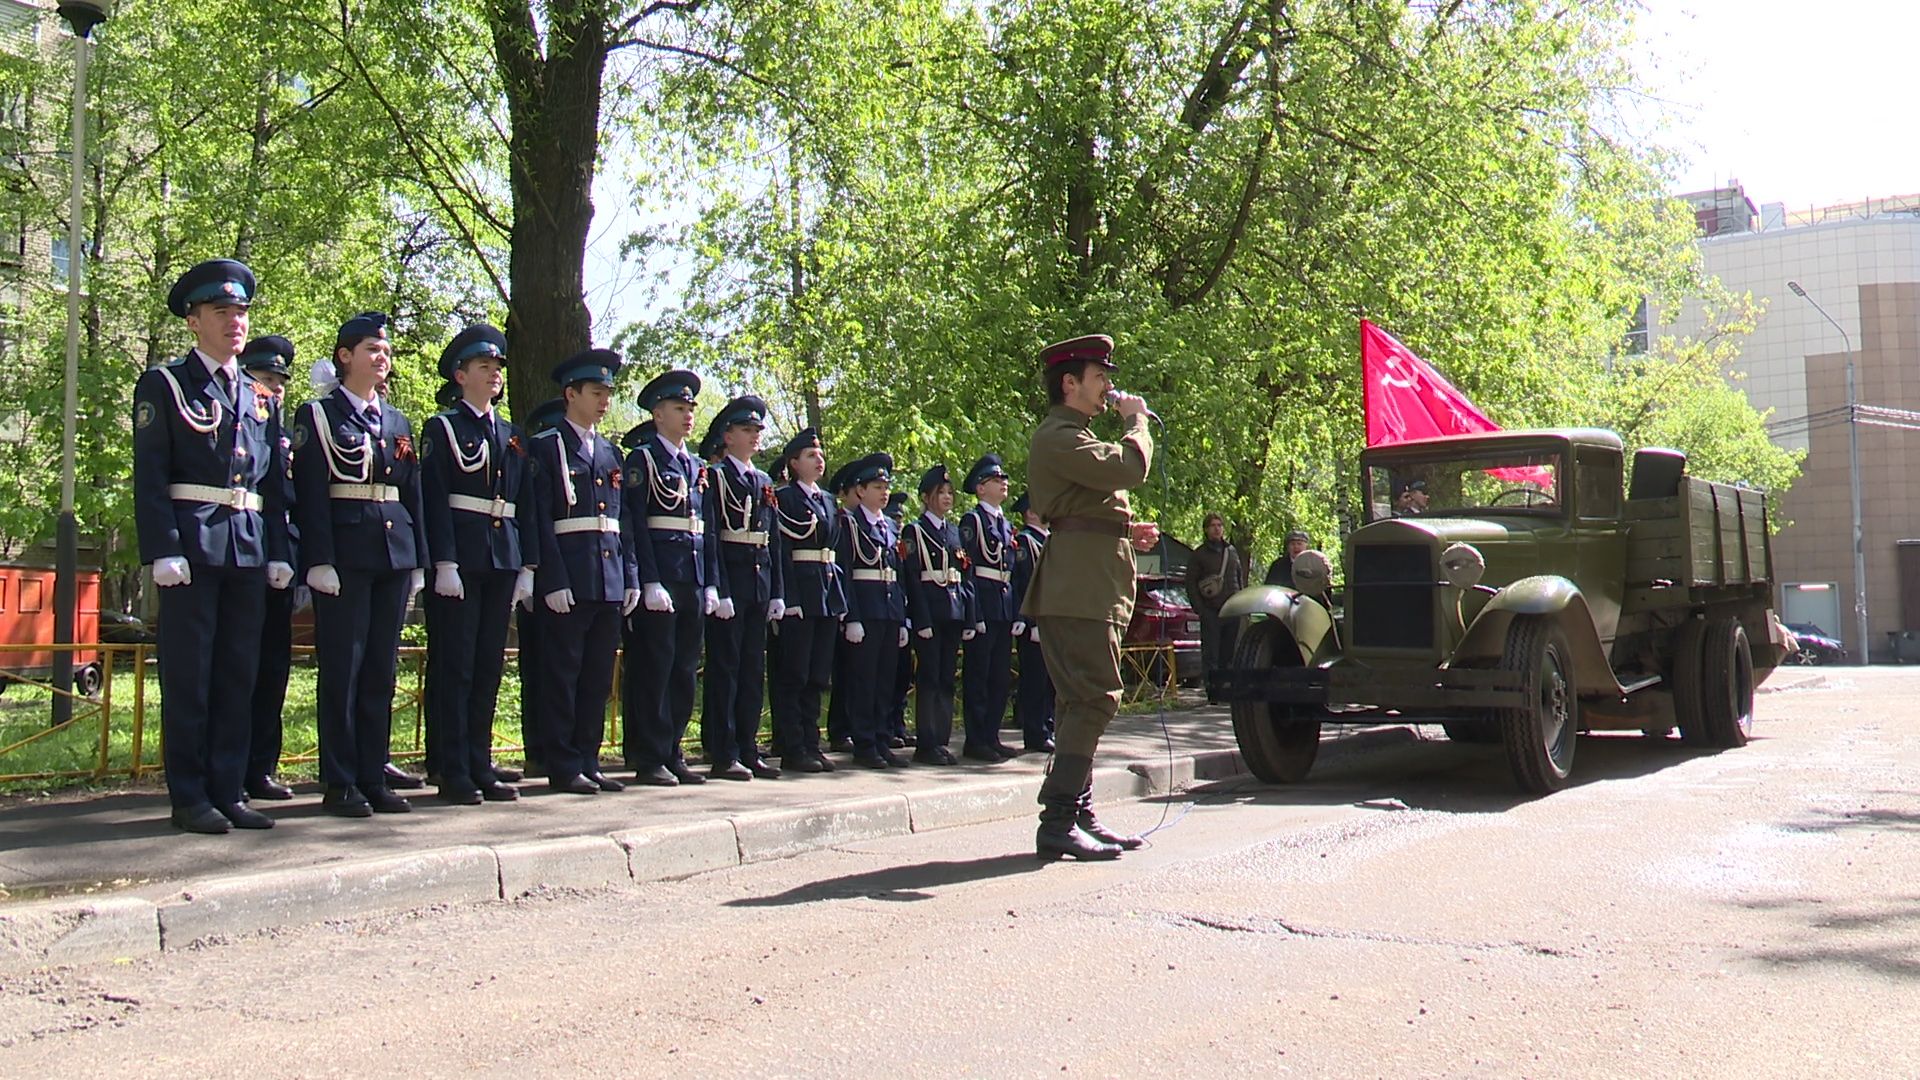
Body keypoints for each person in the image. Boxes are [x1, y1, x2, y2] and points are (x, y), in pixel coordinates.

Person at [133, 260, 293, 833]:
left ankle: (229, 790)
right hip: (193, 548)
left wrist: (280, 551)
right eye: (222, 312)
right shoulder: (167, 385)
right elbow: (150, 474)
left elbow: (273, 484)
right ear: (194, 320)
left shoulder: (259, 397)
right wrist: (162, 547)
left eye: (241, 312)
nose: (235, 322)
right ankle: (190, 794)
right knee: (190, 676)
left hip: (247, 549)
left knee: (237, 674)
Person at [1024, 333, 1158, 860]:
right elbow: (1128, 468)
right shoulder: (1058, 435)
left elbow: (1093, 502)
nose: (1108, 387)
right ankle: (1057, 818)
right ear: (1069, 383)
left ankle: (1078, 814)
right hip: (1078, 589)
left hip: (1092, 582)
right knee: (1094, 699)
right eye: (1099, 377)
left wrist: (1128, 531)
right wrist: (1136, 421)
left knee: (1081, 701)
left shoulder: (1076, 436)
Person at [290, 311, 428, 818]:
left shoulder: (396, 422)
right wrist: (319, 559)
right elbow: (311, 494)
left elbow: (411, 493)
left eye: (385, 349)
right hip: (345, 556)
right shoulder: (319, 417)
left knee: (380, 669)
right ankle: (340, 779)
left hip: (393, 552)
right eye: (372, 348)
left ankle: (374, 772)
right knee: (343, 669)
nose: (382, 356)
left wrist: (419, 560)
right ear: (345, 357)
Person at [420, 323, 535, 805]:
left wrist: (527, 564)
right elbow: (434, 499)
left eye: (497, 369)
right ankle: (451, 766)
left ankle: (479, 758)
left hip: (500, 555)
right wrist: (442, 561)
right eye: (484, 367)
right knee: (456, 664)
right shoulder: (444, 427)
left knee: (488, 664)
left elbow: (524, 502)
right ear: (460, 374)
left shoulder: (510, 435)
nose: (494, 375)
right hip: (461, 558)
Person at [526, 349, 639, 795]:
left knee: (596, 675)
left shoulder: (610, 452)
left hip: (607, 576)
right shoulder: (547, 446)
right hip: (569, 577)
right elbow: (539, 517)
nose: (604, 401)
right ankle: (562, 760)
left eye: (608, 393)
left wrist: (629, 574)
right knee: (563, 672)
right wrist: (549, 578)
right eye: (595, 392)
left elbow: (622, 521)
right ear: (570, 394)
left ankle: (588, 757)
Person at [625, 369, 711, 787]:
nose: (688, 415)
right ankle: (649, 753)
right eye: (679, 408)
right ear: (658, 414)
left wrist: (710, 582)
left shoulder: (695, 465)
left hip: (691, 576)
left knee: (683, 668)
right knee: (654, 667)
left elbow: (704, 527)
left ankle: (673, 747)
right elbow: (637, 524)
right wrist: (648, 580)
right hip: (661, 576)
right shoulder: (643, 459)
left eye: (691, 408)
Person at [698, 395, 782, 781]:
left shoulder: (763, 481)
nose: (754, 437)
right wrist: (718, 587)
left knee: (752, 669)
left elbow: (774, 540)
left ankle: (748, 747)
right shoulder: (715, 477)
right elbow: (712, 536)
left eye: (757, 431)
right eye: (745, 431)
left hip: (759, 580)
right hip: (731, 580)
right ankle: (724, 748)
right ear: (726, 437)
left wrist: (778, 591)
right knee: (725, 669)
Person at [235, 334, 300, 804]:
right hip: (239, 553)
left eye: (279, 381)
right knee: (238, 667)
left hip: (278, 556)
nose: (273, 388)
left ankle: (261, 765)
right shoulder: (241, 427)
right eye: (264, 378)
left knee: (274, 667)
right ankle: (229, 765)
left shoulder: (282, 433)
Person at [768, 428, 845, 773]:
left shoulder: (827, 500)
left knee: (817, 675)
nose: (819, 460)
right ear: (794, 463)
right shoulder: (785, 499)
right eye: (811, 456)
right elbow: (782, 551)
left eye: (820, 454)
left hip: (826, 592)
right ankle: (793, 744)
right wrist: (788, 597)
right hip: (800, 590)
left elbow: (834, 550)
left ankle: (811, 742)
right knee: (793, 673)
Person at [835, 453, 909, 770]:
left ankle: (881, 737)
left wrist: (903, 616)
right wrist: (851, 616)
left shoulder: (890, 527)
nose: (883, 492)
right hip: (865, 609)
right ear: (860, 491)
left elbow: (898, 572)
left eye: (886, 486)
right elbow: (846, 571)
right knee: (863, 681)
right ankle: (864, 742)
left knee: (884, 680)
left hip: (889, 609)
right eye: (876, 486)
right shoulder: (850, 524)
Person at [515, 396, 569, 778]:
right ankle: (541, 748)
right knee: (542, 668)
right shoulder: (540, 455)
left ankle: (553, 750)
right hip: (546, 572)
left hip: (580, 575)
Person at [902, 464, 968, 765]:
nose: (947, 498)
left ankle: (941, 739)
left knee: (945, 677)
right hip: (930, 609)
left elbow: (961, 573)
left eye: (950, 493)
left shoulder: (952, 531)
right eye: (940, 493)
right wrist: (922, 619)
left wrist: (966, 615)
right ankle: (927, 742)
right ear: (926, 497)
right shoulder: (914, 530)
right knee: (928, 677)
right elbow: (914, 578)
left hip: (952, 609)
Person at [959, 453, 1020, 761]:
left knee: (999, 676)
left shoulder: (1006, 524)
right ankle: (976, 738)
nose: (1003, 484)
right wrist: (974, 613)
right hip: (983, 601)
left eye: (1003, 479)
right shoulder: (973, 521)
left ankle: (992, 735)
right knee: (979, 674)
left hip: (1003, 602)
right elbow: (968, 568)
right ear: (981, 489)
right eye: (996, 480)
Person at [1009, 491, 1054, 754]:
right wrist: (1031, 621)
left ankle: (1048, 725)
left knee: (1051, 679)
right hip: (1035, 622)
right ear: (1030, 512)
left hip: (1052, 620)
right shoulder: (1025, 542)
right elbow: (1025, 583)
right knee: (1035, 678)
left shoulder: (1049, 540)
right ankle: (1035, 730)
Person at [823, 460, 858, 754]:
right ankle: (838, 729)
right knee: (840, 670)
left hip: (839, 599)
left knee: (854, 673)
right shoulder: (842, 520)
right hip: (832, 599)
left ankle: (849, 727)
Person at [1186, 511, 1245, 686]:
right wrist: (1201, 609)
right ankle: (1212, 688)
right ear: (1206, 529)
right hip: (1211, 610)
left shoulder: (1231, 551)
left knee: (1228, 651)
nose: (1217, 529)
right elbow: (1190, 583)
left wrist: (1241, 603)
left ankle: (1226, 686)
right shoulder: (1199, 554)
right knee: (1211, 652)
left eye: (1219, 525)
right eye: (1213, 526)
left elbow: (1238, 577)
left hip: (1232, 609)